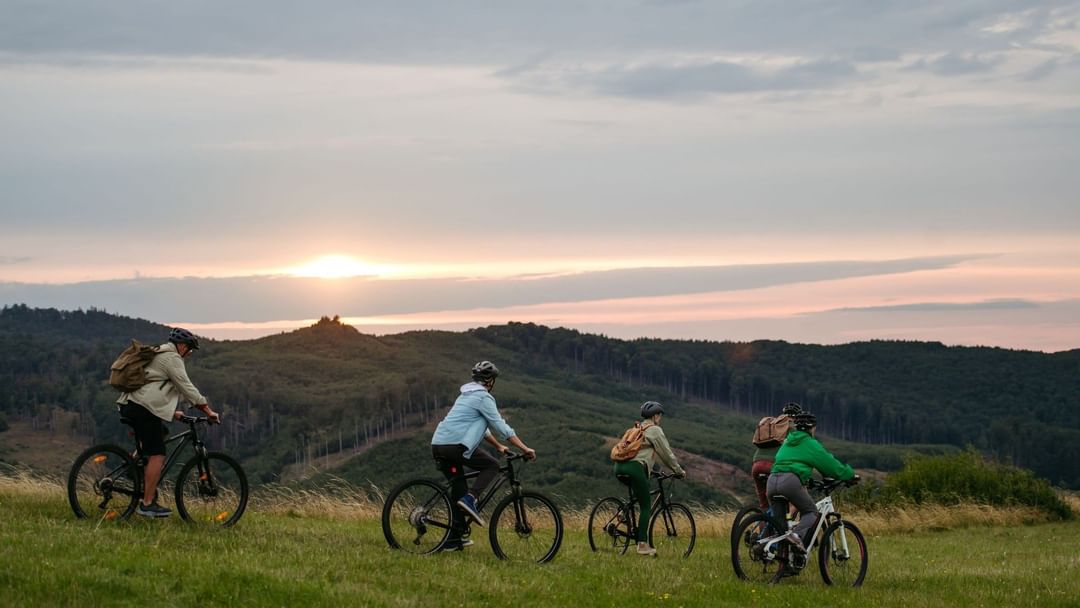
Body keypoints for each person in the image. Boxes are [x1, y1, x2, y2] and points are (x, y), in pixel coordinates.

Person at [430, 361, 536, 551]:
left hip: (439, 445)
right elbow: (500, 426)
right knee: (492, 466)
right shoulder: (483, 398)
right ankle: (472, 499)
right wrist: (525, 448)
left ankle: (453, 539)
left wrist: (499, 446)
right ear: (490, 381)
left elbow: (483, 429)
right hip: (455, 446)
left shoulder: (465, 395)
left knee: (459, 488)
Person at [115, 327, 220, 518]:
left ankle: (133, 468)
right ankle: (147, 504)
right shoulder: (172, 358)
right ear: (181, 346)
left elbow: (155, 391)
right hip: (141, 408)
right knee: (157, 454)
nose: (188, 354)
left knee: (160, 434)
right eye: (189, 350)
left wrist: (176, 413)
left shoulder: (159, 352)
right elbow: (186, 387)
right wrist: (208, 411)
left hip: (132, 405)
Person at [767, 411, 856, 573]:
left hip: (772, 481)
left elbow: (788, 462)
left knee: (781, 528)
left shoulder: (787, 441)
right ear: (812, 428)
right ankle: (797, 537)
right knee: (811, 513)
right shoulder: (810, 443)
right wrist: (849, 474)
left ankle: (785, 564)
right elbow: (831, 466)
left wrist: (805, 478)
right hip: (790, 482)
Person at [613, 400, 686, 557]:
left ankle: (623, 515)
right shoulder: (655, 430)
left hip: (619, 466)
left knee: (636, 497)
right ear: (655, 416)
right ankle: (642, 545)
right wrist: (679, 471)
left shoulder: (636, 428)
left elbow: (639, 454)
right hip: (635, 468)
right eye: (659, 415)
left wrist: (650, 470)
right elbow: (667, 455)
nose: (660, 418)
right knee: (646, 506)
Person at [750, 402, 802, 509]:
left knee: (764, 506)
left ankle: (764, 523)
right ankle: (787, 523)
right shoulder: (793, 428)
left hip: (757, 465)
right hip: (774, 466)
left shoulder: (773, 425)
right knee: (792, 498)